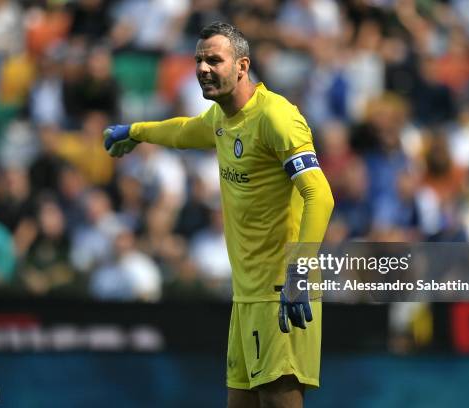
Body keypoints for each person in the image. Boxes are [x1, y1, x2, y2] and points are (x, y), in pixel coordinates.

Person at [104, 22, 333, 408]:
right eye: (198, 60)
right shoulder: (222, 119)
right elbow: (184, 131)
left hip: (281, 290)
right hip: (245, 296)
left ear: (242, 66)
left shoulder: (276, 117)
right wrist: (136, 130)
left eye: (214, 60)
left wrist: (299, 270)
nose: (203, 68)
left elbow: (320, 195)